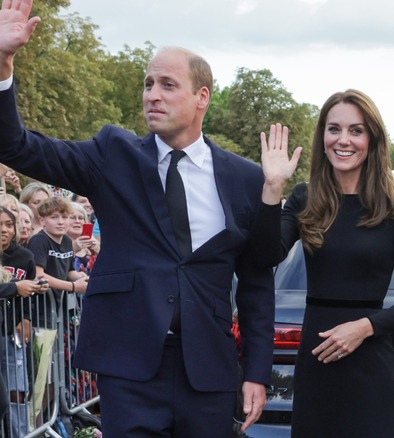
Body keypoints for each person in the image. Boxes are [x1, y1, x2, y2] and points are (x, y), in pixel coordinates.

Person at [0, 1, 281, 434]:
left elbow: (257, 282)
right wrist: (3, 63)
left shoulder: (245, 178)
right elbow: (18, 146)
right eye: (148, 83)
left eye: (168, 84)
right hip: (128, 367)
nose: (152, 94)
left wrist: (258, 371)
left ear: (201, 96)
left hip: (208, 372)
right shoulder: (112, 154)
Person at [260, 90, 394, 437]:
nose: (344, 140)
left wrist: (364, 328)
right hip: (317, 359)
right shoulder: (303, 198)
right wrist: (273, 186)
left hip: (370, 361)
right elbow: (265, 256)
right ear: (322, 137)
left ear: (372, 139)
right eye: (334, 129)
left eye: (356, 130)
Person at [0, 205, 42, 437]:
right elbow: (17, 288)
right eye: (0, 225)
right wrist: (14, 287)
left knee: (17, 393)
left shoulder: (24, 257)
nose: (5, 230)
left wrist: (26, 319)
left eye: (9, 224)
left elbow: (32, 294)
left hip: (10, 334)